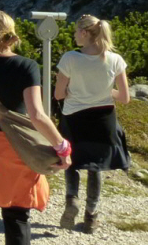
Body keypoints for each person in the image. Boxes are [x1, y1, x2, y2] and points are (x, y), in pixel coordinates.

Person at [0, 10, 71, 245]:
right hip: (17, 148)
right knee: (18, 216)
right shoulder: (27, 66)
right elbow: (37, 115)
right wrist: (62, 146)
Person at [54, 14, 131, 234]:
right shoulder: (115, 60)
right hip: (103, 118)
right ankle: (91, 217)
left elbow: (59, 94)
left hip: (74, 117)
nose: (74, 34)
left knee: (72, 160)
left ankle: (72, 200)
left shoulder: (70, 58)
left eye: (76, 31)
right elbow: (125, 98)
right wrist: (106, 90)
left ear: (85, 33)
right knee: (96, 167)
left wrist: (73, 91)